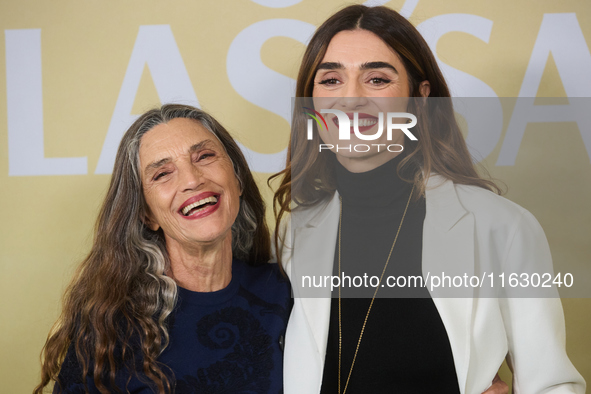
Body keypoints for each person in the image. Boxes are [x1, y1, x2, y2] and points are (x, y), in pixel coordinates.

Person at [271, 5, 585, 394]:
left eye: (377, 79)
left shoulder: (502, 226)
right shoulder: (294, 232)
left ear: (420, 99)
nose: (350, 99)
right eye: (331, 79)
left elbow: (553, 384)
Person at [34, 104, 291, 394]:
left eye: (204, 156)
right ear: (147, 215)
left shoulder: (286, 291)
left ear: (238, 178)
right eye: (162, 174)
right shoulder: (110, 326)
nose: (193, 180)